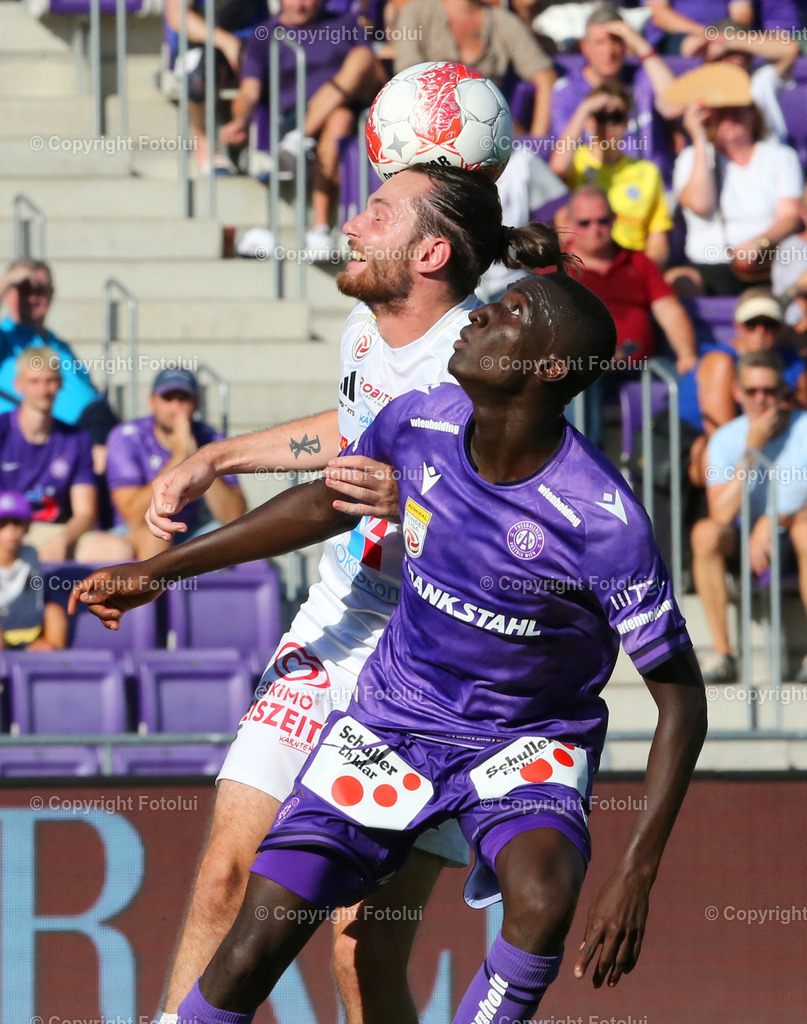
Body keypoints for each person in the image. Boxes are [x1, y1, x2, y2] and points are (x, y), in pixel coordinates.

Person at [72, 268, 707, 1024]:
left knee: (541, 898)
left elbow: (682, 701)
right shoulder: (419, 419)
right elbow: (321, 503)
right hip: (393, 719)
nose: (478, 317)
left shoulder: (604, 521)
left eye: (509, 312)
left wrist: (636, 872)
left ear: (548, 368)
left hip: (525, 738)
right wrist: (156, 571)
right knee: (251, 943)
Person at [141, 165, 563, 1024]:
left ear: (430, 252)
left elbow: (528, 536)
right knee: (225, 879)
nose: (352, 224)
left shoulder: (484, 373)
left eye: (378, 211)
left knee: (359, 944)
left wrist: (420, 507)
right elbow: (350, 433)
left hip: (435, 666)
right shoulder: (364, 331)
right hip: (337, 619)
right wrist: (219, 456)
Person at [222, 0, 386, 258]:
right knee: (340, 117)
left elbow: (378, 78)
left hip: (347, 111)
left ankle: (300, 141)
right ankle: (320, 227)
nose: (299, 5)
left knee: (358, 66)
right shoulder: (263, 36)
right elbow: (249, 92)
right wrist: (240, 120)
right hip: (292, 117)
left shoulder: (345, 24)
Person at [691, 349, 807, 683]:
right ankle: (723, 654)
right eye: (752, 391)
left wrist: (775, 519)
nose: (761, 400)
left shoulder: (803, 428)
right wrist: (752, 450)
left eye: (769, 391)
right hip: (744, 539)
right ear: (737, 393)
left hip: (795, 532)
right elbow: (721, 513)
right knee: (705, 534)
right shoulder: (726, 439)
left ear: (783, 392)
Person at [563, 186, 697, 443]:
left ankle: (680, 460)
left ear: (614, 220)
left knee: (689, 380)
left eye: (603, 221)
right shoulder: (555, 267)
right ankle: (584, 458)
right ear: (569, 223)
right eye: (585, 222)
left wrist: (687, 355)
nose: (595, 229)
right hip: (584, 370)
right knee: (579, 378)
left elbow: (670, 311)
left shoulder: (639, 263)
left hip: (641, 367)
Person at [0, 349, 130, 564]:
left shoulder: (76, 439)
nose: (43, 390)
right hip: (6, 526)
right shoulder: (3, 430)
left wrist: (63, 538)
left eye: (50, 381)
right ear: (18, 385)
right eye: (34, 381)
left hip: (52, 530)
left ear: (60, 383)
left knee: (116, 550)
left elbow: (85, 513)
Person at [670, 93, 803, 298]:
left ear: (754, 114)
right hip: (708, 267)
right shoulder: (691, 157)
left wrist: (760, 243)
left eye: (737, 109)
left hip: (764, 265)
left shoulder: (781, 157)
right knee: (678, 280)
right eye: (720, 112)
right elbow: (700, 205)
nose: (729, 118)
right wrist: (699, 139)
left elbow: (790, 217)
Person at [105, 369, 246, 561]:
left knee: (245, 540)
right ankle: (157, 582)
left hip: (191, 528)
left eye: (183, 399)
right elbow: (132, 515)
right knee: (156, 536)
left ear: (196, 403)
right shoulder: (128, 437)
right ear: (152, 401)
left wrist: (199, 460)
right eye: (168, 398)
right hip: (136, 530)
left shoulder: (211, 438)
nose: (176, 407)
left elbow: (233, 515)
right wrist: (179, 456)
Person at [0, 260, 116, 459]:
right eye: (24, 289)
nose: (33, 298)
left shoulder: (58, 343)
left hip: (92, 429)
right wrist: (9, 280)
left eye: (41, 291)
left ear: (51, 294)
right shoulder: (5, 338)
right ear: (9, 293)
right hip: (46, 441)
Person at [550, 81, 673, 265]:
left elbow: (658, 242)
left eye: (616, 117)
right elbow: (558, 168)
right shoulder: (575, 162)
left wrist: (640, 272)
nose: (608, 124)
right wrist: (585, 108)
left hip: (630, 266)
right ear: (588, 121)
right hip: (582, 264)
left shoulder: (647, 172)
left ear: (627, 122)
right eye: (600, 116)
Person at [393, 0, 557, 136]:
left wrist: (536, 142)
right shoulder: (416, 14)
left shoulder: (504, 21)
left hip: (490, 130)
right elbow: (409, 77)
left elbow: (546, 77)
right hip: (427, 125)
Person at [164, 0, 269, 175]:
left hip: (253, 41)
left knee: (268, 70)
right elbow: (177, 15)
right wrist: (226, 42)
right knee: (197, 78)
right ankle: (204, 145)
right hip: (201, 43)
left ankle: (254, 142)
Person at [549, 5, 678, 142]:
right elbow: (560, 153)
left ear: (625, 45)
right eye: (600, 43)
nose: (609, 51)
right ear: (584, 47)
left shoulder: (641, 77)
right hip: (595, 156)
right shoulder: (567, 90)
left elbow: (674, 106)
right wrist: (585, 111)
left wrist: (639, 42)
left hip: (645, 156)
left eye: (616, 41)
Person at [0, 491, 67, 651]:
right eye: (2, 524)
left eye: (17, 523)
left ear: (27, 527)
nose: (11, 530)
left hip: (32, 630)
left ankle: (58, 662)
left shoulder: (32, 554)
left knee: (54, 612)